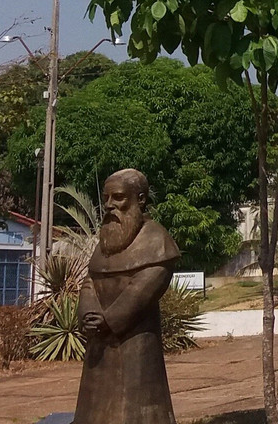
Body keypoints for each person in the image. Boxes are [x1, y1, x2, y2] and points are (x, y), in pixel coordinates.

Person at [73, 169, 181, 424]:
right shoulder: (107, 241)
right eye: (106, 198)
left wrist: (109, 320)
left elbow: (145, 286)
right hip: (99, 343)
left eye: (118, 197)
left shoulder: (157, 240)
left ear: (140, 199)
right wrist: (88, 313)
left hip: (135, 343)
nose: (109, 205)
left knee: (136, 409)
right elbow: (90, 281)